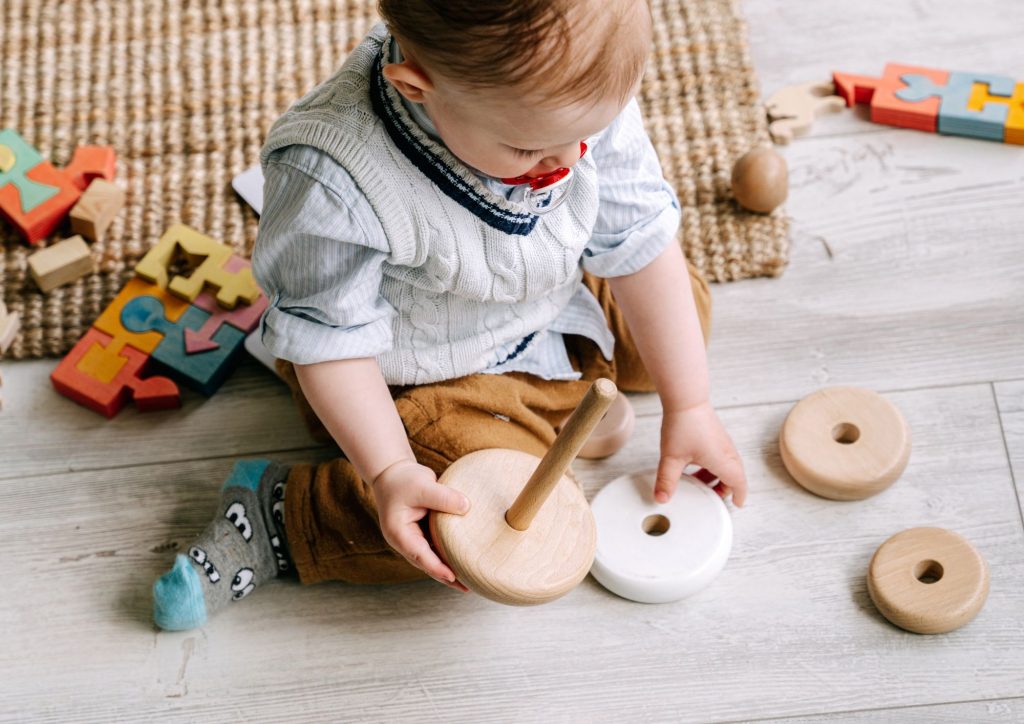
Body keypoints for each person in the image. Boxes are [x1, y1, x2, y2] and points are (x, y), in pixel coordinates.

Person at [152, 0, 748, 631]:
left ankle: (560, 391)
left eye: (587, 133)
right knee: (464, 517)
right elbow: (331, 347)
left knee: (679, 312)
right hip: (415, 374)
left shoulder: (567, 99)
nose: (569, 162)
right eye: (529, 148)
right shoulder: (331, 175)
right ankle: (281, 516)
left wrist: (691, 405)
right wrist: (387, 471)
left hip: (545, 298)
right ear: (417, 88)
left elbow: (636, 235)